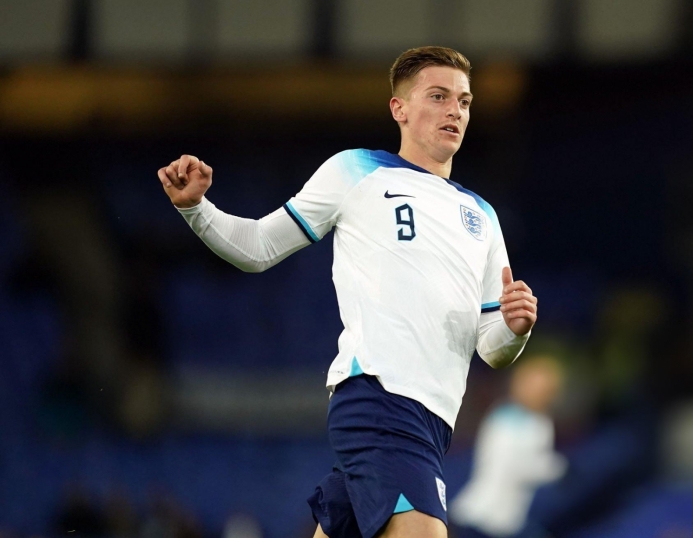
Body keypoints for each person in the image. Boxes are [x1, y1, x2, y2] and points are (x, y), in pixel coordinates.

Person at [156, 46, 538, 538]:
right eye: (438, 96)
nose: (454, 111)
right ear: (399, 108)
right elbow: (258, 246)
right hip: (382, 398)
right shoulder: (357, 171)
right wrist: (197, 209)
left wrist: (514, 330)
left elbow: (491, 347)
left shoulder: (482, 215)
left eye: (463, 101)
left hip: (433, 421)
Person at [451, 354, 567, 538]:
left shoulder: (541, 423)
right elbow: (513, 465)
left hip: (507, 522)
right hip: (483, 517)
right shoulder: (506, 417)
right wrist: (556, 468)